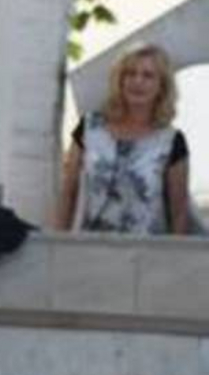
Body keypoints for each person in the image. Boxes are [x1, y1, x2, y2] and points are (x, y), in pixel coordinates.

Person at [55, 44, 192, 235]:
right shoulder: (89, 129)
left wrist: (177, 253)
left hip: (147, 249)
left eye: (148, 76)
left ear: (162, 86)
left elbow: (179, 211)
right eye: (130, 73)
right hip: (90, 245)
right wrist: (56, 242)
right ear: (120, 80)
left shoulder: (171, 142)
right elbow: (68, 192)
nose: (137, 81)